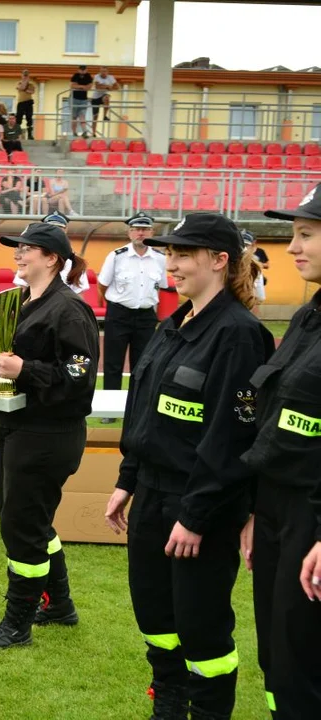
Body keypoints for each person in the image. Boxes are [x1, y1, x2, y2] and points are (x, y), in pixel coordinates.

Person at [105, 213, 273, 720]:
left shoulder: (239, 335)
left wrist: (196, 516)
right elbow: (146, 412)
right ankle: (169, 705)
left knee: (201, 626)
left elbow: (230, 439)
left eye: (183, 254)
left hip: (199, 503)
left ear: (220, 261)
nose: (171, 264)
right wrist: (127, 480)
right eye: (170, 253)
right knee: (154, 614)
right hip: (153, 493)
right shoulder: (173, 324)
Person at [0, 222, 99, 649]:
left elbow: (79, 376)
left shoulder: (69, 309)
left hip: (48, 433)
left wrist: (25, 370)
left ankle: (16, 625)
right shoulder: (22, 300)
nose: (18, 254)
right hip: (15, 424)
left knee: (22, 526)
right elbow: (11, 353)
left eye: (27, 249)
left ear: (52, 258)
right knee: (23, 518)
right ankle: (59, 605)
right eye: (17, 248)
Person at [240, 184, 321, 718]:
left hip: (313, 518)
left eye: (307, 234)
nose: (292, 247)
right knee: (277, 656)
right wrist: (253, 509)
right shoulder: (306, 317)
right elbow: (273, 418)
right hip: (275, 510)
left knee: (305, 663)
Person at [97, 212, 168, 411]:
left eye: (145, 229)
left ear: (152, 232)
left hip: (146, 316)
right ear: (129, 233)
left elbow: (161, 286)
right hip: (119, 314)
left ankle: (138, 408)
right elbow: (102, 285)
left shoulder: (160, 259)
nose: (141, 233)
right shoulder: (116, 256)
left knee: (143, 364)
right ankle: (110, 408)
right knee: (113, 364)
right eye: (136, 229)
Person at [12, 213, 90, 295]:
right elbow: (23, 290)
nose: (53, 232)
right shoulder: (30, 260)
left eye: (59, 228)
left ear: (66, 230)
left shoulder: (73, 261)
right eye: (48, 228)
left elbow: (79, 295)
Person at [70, 65, 94, 138]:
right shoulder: (75, 76)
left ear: (86, 70)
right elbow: (72, 86)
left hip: (83, 99)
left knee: (82, 116)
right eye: (81, 70)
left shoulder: (88, 76)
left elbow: (89, 87)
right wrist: (82, 86)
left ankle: (84, 131)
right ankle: (74, 133)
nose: (83, 71)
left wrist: (79, 86)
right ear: (78, 70)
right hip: (74, 98)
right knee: (74, 117)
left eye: (84, 70)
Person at [16, 70, 36, 140]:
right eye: (24, 75)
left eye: (26, 75)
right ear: (21, 75)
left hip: (28, 102)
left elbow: (32, 91)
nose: (25, 76)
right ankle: (17, 135)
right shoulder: (19, 82)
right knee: (18, 119)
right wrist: (25, 86)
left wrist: (25, 87)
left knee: (29, 118)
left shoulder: (31, 84)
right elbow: (21, 88)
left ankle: (30, 135)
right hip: (21, 102)